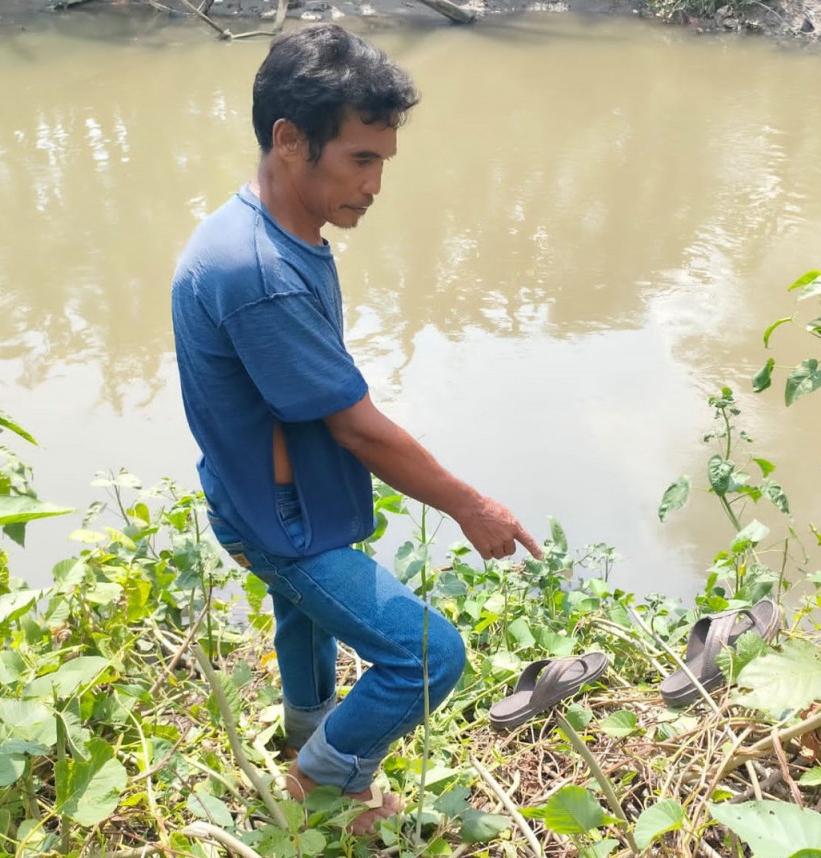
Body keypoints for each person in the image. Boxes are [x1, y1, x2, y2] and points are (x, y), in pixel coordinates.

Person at [170, 24, 543, 834]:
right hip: (282, 523)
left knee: (301, 619)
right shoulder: (260, 273)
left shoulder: (271, 234)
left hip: (280, 500)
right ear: (290, 140)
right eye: (360, 161)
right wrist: (470, 505)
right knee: (430, 655)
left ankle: (307, 733)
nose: (374, 185)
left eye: (382, 162)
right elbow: (357, 429)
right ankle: (325, 778)